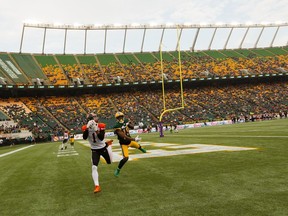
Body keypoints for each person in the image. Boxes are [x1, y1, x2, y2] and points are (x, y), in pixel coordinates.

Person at [82, 113, 113, 193]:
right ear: (91, 119)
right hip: (94, 150)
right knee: (94, 167)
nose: (97, 117)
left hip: (103, 148)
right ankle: (97, 186)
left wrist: (95, 129)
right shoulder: (86, 127)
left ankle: (108, 145)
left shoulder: (101, 125)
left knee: (109, 162)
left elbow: (101, 137)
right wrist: (87, 128)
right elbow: (84, 137)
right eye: (95, 116)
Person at [113, 111, 147, 177]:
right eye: (119, 117)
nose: (121, 118)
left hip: (130, 141)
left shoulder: (125, 121)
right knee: (125, 158)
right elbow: (124, 136)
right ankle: (118, 169)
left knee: (138, 146)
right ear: (117, 118)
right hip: (124, 143)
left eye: (121, 117)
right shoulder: (116, 126)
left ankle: (141, 148)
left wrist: (139, 126)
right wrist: (134, 139)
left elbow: (132, 127)